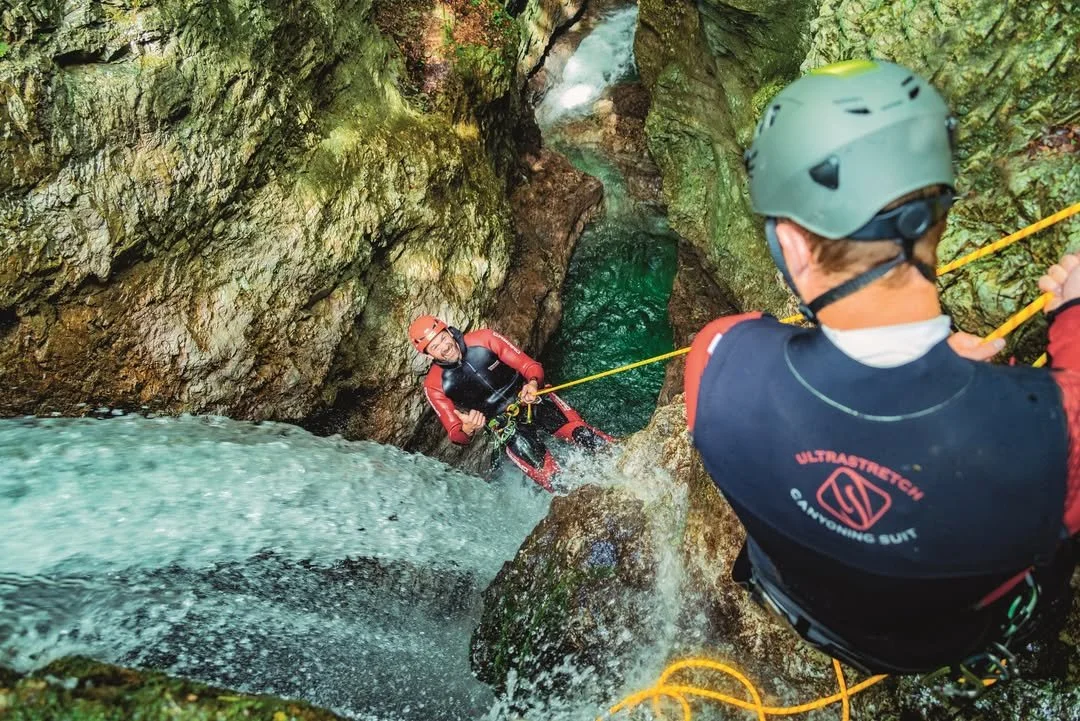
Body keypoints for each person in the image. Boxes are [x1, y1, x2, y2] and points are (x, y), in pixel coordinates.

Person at [683, 59, 1080, 685]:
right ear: (941, 220)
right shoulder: (1057, 437)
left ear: (790, 246)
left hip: (799, 601)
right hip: (941, 640)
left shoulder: (715, 360)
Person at [409, 315, 614, 491]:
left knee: (586, 436)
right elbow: (457, 435)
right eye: (435, 347)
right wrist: (468, 428)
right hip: (504, 426)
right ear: (428, 355)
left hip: (530, 399)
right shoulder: (434, 385)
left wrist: (533, 384)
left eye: (443, 338)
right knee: (556, 481)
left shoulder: (485, 339)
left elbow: (530, 366)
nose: (444, 347)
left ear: (449, 331)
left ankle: (622, 460)